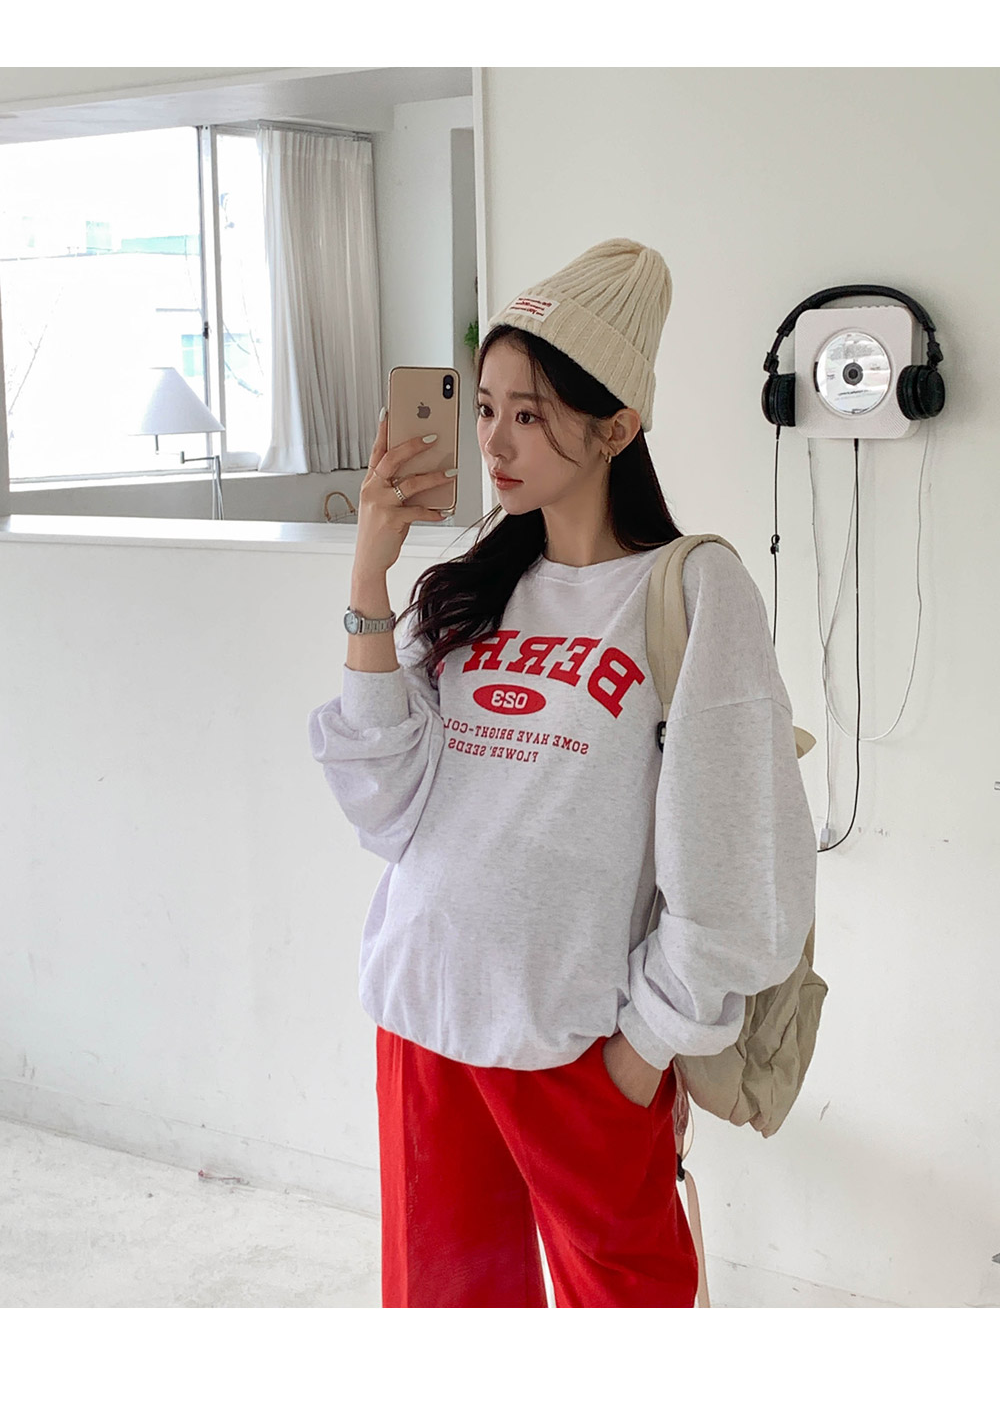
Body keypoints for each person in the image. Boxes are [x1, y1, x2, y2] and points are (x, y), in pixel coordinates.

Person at [307, 238, 817, 1308]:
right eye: (485, 407)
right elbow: (384, 806)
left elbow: (738, 853)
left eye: (530, 414)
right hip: (424, 1015)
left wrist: (647, 1046)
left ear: (617, 428)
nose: (494, 440)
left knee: (627, 1313)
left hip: (579, 1042)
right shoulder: (467, 591)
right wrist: (369, 575)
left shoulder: (691, 591)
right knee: (449, 1316)